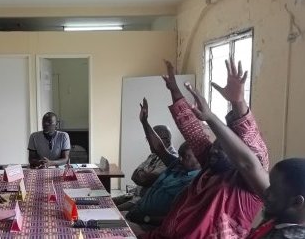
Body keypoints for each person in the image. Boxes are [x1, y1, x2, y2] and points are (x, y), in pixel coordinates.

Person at [141, 58, 269, 238]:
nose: (214, 150)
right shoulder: (210, 166)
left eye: (222, 148)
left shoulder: (246, 186)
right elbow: (190, 127)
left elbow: (254, 157)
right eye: (215, 145)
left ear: (236, 154)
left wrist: (238, 103)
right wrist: (174, 89)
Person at [184, 76, 305, 239]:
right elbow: (249, 164)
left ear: (297, 202)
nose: (265, 192)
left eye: (274, 191)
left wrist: (236, 107)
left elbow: (252, 161)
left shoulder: (290, 235)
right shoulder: (280, 218)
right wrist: (220, 112)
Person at [113, 98, 179, 211]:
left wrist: (143, 175)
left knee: (113, 212)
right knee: (106, 203)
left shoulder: (173, 159)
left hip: (144, 200)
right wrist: (142, 175)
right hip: (135, 195)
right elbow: (135, 175)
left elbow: (143, 179)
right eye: (148, 139)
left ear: (166, 140)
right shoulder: (154, 155)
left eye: (152, 139)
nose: (149, 143)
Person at [126, 142, 200, 235]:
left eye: (186, 156)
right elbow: (158, 148)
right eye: (180, 155)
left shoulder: (195, 183)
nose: (180, 159)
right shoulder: (176, 167)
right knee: (104, 218)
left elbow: (175, 220)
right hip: (136, 214)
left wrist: (145, 218)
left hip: (150, 226)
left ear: (199, 157)